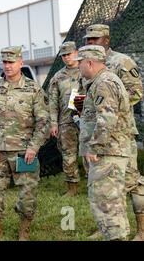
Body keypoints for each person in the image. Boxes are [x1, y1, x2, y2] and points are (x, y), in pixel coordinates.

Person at [0, 46, 49, 241]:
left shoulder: (33, 89)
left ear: (20, 63)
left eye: (12, 62)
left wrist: (34, 147)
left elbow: (43, 122)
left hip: (24, 152)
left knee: (28, 194)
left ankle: (24, 230)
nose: (8, 66)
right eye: (5, 62)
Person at [84, 24, 144, 241]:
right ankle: (106, 226)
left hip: (120, 135)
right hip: (97, 133)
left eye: (95, 39)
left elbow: (137, 92)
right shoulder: (87, 62)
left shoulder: (121, 62)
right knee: (103, 185)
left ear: (106, 40)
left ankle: (141, 230)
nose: (91, 43)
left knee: (131, 181)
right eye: (88, 40)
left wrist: (111, 106)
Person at [76, 45, 133, 241]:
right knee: (113, 202)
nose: (79, 67)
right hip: (110, 150)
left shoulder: (104, 82)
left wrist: (95, 146)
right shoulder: (102, 80)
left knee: (106, 202)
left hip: (108, 152)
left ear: (89, 62)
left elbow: (107, 118)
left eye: (80, 63)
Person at [48, 42, 87, 196]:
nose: (66, 57)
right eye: (63, 55)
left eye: (69, 54)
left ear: (76, 52)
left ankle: (93, 186)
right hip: (66, 122)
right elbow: (52, 102)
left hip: (86, 120)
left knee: (89, 153)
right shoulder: (58, 77)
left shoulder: (86, 70)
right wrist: (53, 123)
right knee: (68, 155)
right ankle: (72, 188)